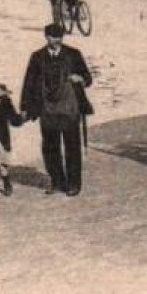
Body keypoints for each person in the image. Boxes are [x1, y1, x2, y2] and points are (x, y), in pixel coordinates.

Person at [19, 23, 93, 197]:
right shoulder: (37, 57)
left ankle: (74, 184)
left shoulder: (73, 54)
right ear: (46, 37)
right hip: (47, 109)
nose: (56, 41)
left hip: (69, 107)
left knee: (72, 148)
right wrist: (25, 107)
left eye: (59, 37)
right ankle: (57, 181)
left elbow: (87, 78)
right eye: (52, 37)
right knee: (50, 148)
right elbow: (28, 83)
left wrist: (79, 78)